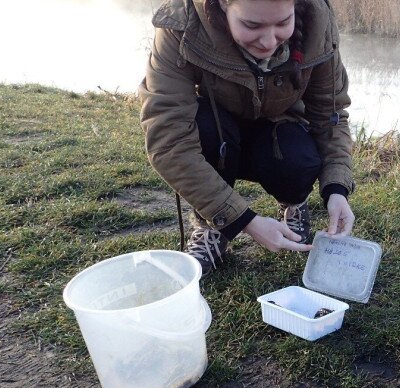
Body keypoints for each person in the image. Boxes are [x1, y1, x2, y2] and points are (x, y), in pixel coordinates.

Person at [139, 0, 355, 275]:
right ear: (221, 7)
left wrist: (337, 189)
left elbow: (331, 116)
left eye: (282, 23)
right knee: (201, 129)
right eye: (252, 25)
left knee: (298, 157)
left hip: (278, 130)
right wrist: (243, 220)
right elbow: (169, 141)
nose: (268, 41)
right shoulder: (180, 26)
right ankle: (211, 225)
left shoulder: (317, 24)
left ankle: (294, 202)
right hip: (218, 134)